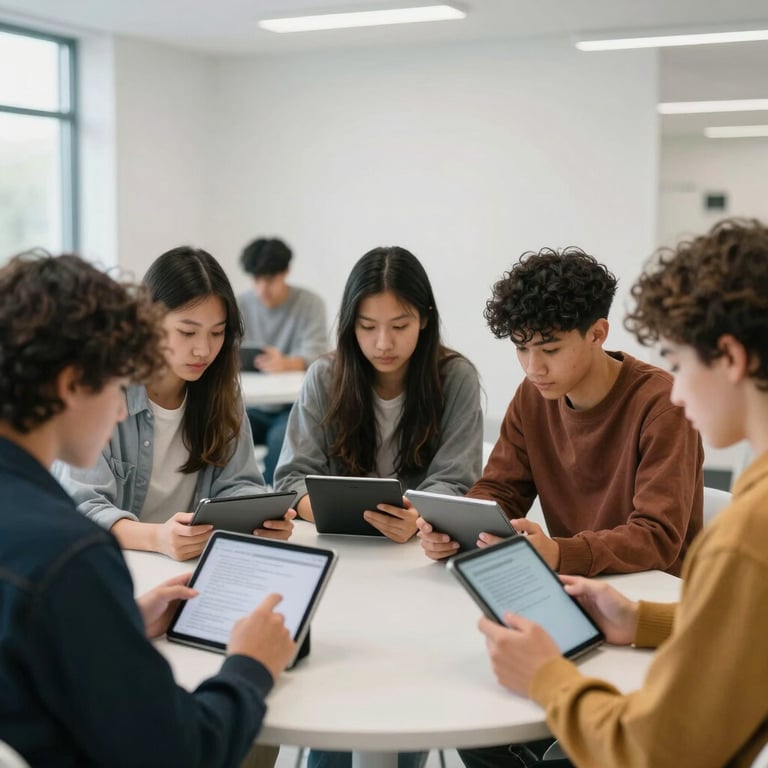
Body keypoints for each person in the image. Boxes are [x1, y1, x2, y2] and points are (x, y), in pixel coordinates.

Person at [459, 218, 768, 768]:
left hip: (633, 700)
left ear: (730, 358)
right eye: (521, 349)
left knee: (485, 728)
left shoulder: (745, 536)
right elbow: (750, 632)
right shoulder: (754, 504)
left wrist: (547, 677)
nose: (533, 368)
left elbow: (658, 751)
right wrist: (643, 621)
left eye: (678, 362)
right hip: (628, 618)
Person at [0, 251, 296, 767]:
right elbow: (181, 751)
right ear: (73, 383)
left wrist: (118, 626)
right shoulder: (73, 556)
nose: (121, 409)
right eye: (117, 384)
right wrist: (250, 664)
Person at [275, 245, 483, 768]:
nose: (383, 343)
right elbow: (289, 477)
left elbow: (457, 479)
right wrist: (311, 506)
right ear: (349, 325)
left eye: (400, 325)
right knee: (331, 694)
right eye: (367, 327)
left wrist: (419, 518)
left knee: (401, 699)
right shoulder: (326, 377)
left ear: (425, 320)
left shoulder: (455, 377)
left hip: (419, 566)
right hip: (336, 561)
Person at [417, 247, 704, 577]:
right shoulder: (533, 397)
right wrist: (458, 531)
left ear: (597, 334)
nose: (533, 367)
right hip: (573, 584)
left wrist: (560, 553)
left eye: (550, 350)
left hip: (654, 596)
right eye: (521, 348)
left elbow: (657, 537)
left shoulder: (663, 404)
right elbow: (501, 490)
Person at [60, 246, 295, 561]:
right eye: (187, 332)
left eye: (217, 333)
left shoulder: (221, 392)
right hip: (121, 563)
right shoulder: (103, 391)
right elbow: (82, 508)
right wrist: (156, 537)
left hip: (189, 565)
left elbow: (238, 484)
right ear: (150, 321)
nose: (203, 350)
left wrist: (261, 520)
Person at [238, 237, 328, 485]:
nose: (262, 289)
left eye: (269, 280)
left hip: (292, 407)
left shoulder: (309, 304)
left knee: (283, 440)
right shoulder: (239, 304)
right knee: (225, 433)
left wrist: (287, 363)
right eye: (256, 280)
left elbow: (320, 356)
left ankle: (272, 503)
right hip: (249, 405)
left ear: (285, 272)